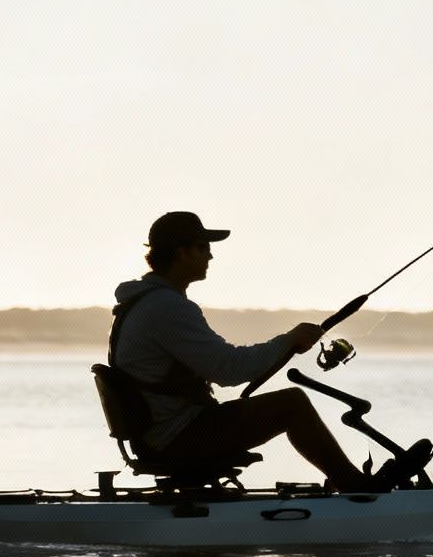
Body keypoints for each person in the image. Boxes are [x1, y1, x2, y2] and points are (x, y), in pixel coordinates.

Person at [110, 211, 415, 493]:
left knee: (287, 403)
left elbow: (221, 366)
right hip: (176, 439)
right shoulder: (166, 308)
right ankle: (356, 489)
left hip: (164, 434)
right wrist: (288, 339)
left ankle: (349, 483)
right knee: (291, 404)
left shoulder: (147, 303)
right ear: (181, 252)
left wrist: (288, 342)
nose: (211, 255)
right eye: (203, 248)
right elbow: (228, 369)